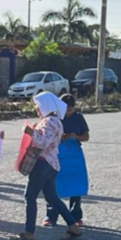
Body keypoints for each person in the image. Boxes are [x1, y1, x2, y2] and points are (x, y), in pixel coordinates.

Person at [11, 92, 82, 240]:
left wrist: (30, 132)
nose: (37, 109)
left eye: (38, 106)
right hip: (52, 164)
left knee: (29, 196)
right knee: (52, 197)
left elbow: (43, 142)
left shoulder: (48, 121)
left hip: (43, 163)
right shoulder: (56, 121)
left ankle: (29, 232)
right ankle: (72, 226)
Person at [45, 93, 90, 228]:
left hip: (73, 154)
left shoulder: (78, 118)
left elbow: (86, 136)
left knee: (75, 182)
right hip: (56, 153)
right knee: (54, 182)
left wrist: (75, 136)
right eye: (65, 109)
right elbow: (46, 135)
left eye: (70, 110)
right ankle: (51, 215)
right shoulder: (52, 118)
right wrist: (59, 136)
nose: (67, 112)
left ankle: (75, 215)